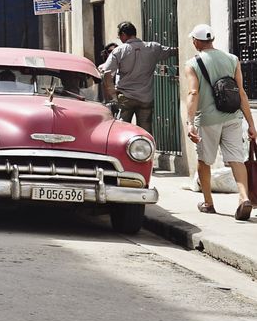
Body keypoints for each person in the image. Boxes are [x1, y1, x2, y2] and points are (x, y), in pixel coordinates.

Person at [184, 24, 255, 221]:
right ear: (212, 39)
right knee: (236, 159)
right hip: (232, 117)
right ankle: (243, 198)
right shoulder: (232, 59)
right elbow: (241, 92)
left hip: (207, 120)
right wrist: (251, 124)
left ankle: (208, 203)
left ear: (197, 42)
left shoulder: (193, 63)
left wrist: (190, 122)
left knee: (204, 160)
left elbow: (193, 92)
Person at [99, 21, 177, 134]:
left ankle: (124, 151)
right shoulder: (153, 48)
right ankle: (146, 150)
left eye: (120, 36)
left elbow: (106, 72)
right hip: (145, 97)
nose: (120, 38)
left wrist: (113, 95)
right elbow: (173, 51)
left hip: (125, 97)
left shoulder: (119, 51)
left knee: (122, 130)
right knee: (145, 132)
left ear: (124, 35)